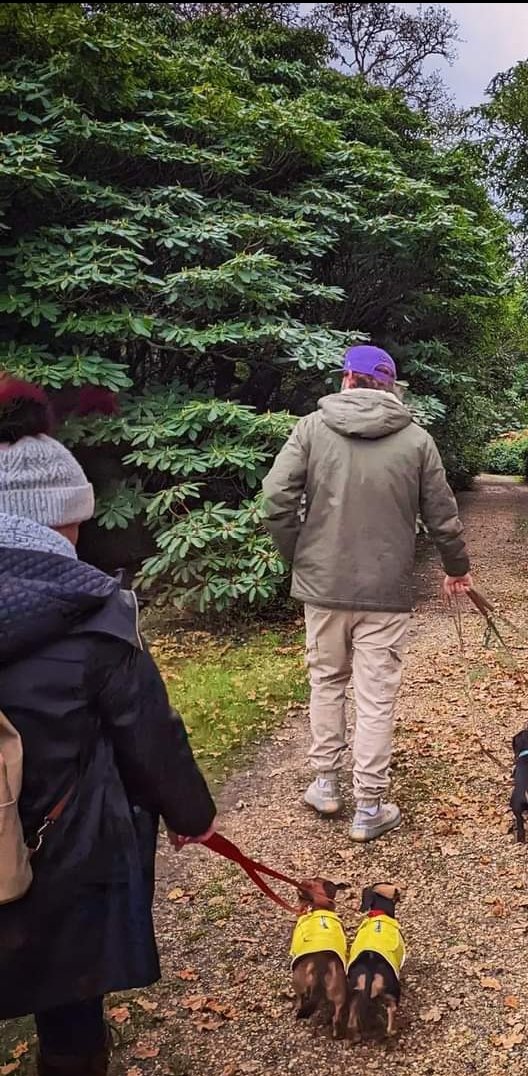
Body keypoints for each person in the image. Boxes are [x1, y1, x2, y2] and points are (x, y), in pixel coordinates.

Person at [0, 381, 217, 1076]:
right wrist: (192, 815)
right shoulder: (96, 613)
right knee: (67, 996)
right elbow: (146, 732)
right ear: (61, 518)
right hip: (57, 852)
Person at [262, 345, 472, 842]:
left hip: (323, 585)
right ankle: (370, 806)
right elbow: (442, 515)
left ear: (347, 381)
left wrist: (301, 556)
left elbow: (275, 501)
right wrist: (456, 568)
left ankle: (325, 785)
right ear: (389, 387)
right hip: (387, 590)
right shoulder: (418, 440)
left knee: (327, 682)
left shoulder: (311, 429)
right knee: (376, 697)